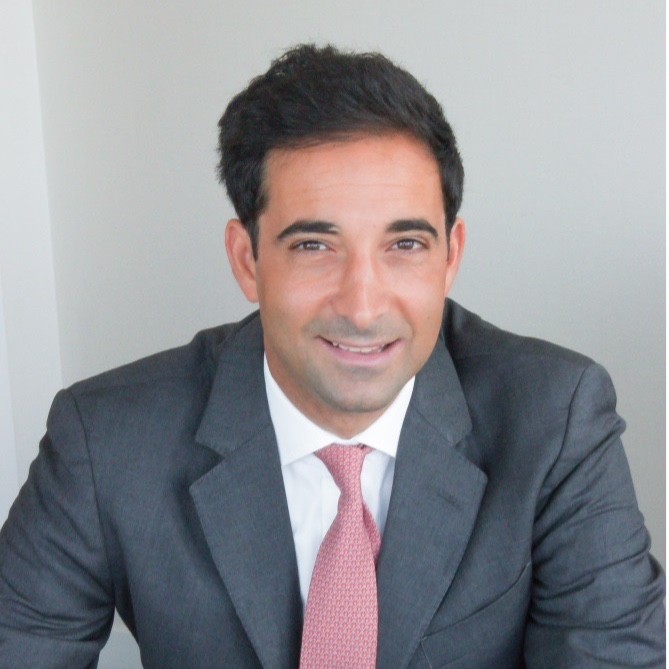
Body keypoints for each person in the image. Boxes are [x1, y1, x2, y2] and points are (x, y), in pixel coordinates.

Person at [0, 44, 664, 669]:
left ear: (450, 256)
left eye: (405, 245)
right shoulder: (105, 440)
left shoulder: (555, 418)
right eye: (314, 246)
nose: (362, 305)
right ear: (247, 260)